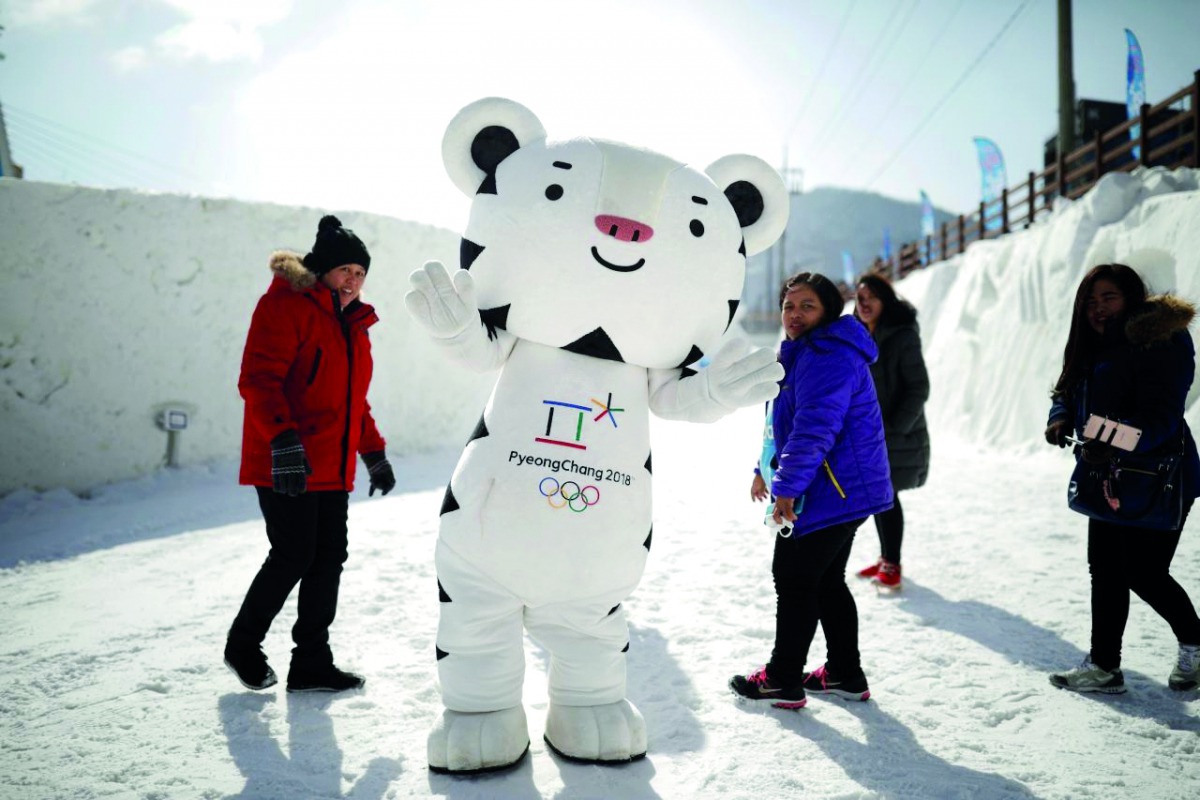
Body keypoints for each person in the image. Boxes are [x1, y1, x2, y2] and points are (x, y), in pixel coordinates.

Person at [224, 214, 396, 694]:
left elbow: (351, 402)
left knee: (327, 559)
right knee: (293, 554)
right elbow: (258, 380)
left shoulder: (354, 327)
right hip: (287, 460)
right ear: (321, 270)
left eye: (360, 274)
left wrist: (374, 454)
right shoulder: (285, 306)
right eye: (345, 270)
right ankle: (242, 645)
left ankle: (312, 663)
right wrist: (282, 442)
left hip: (332, 465)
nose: (353, 280)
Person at [732, 272, 894, 710]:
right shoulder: (806, 353)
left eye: (807, 306)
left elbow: (813, 430)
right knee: (824, 580)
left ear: (826, 311)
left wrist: (786, 488)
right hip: (840, 487)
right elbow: (781, 425)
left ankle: (782, 679)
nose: (795, 314)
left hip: (834, 488)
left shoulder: (827, 355)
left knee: (794, 577)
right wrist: (763, 469)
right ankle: (844, 672)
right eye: (789, 306)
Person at [1045, 263, 1200, 694]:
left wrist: (1112, 440)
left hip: (1161, 475)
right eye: (1091, 301)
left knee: (1145, 572)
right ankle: (1104, 667)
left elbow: (1164, 416)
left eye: (1108, 297)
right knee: (1106, 570)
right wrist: (1060, 419)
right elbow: (1066, 389)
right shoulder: (1093, 344)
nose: (1098, 308)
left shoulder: (1160, 339)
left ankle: (1196, 645)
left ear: (1131, 296)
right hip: (1109, 474)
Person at [851, 274, 931, 590]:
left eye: (871, 297)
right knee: (878, 495)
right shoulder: (860, 337)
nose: (864, 304)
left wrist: (894, 427)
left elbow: (918, 387)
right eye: (860, 298)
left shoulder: (902, 336)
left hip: (897, 433)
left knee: (886, 496)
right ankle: (886, 557)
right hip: (870, 433)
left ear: (886, 300)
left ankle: (892, 564)